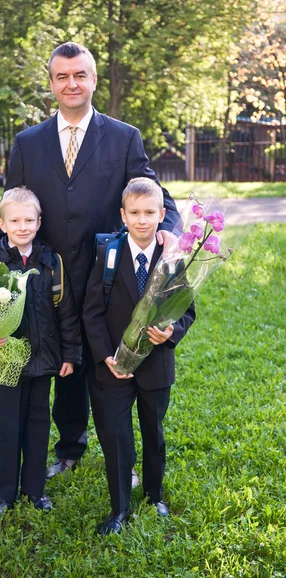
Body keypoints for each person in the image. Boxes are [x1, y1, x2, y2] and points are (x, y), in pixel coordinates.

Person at [0, 42, 180, 480]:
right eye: (62, 76)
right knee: (67, 371)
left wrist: (173, 232)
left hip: (106, 283)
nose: (71, 83)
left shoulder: (124, 137)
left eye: (80, 75)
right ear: (52, 83)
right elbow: (11, 207)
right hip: (48, 283)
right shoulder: (27, 143)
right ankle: (69, 448)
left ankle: (121, 460)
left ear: (93, 80)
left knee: (108, 374)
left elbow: (156, 196)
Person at [83, 178, 195, 534]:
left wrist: (171, 333)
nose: (142, 220)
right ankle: (119, 509)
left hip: (156, 366)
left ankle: (154, 494)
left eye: (150, 212)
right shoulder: (109, 254)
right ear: (123, 215)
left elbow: (188, 310)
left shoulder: (173, 258)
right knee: (116, 435)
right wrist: (105, 357)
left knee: (153, 432)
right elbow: (91, 312)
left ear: (163, 214)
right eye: (134, 213)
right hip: (115, 366)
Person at [0, 187, 82, 515]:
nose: (23, 226)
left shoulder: (52, 262)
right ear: (2, 224)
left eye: (29, 220)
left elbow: (66, 312)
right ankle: (5, 494)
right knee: (9, 427)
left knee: (38, 426)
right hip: (8, 362)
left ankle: (35, 490)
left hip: (43, 359)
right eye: (15, 220)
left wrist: (70, 355)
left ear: (39, 222)